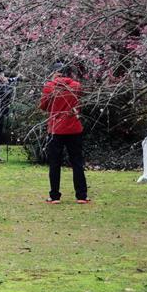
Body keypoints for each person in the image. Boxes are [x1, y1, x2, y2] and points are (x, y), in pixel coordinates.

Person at [38, 63, 89, 204]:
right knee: (77, 162)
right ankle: (81, 195)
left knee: (55, 163)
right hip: (74, 128)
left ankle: (54, 196)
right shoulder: (76, 86)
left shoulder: (50, 87)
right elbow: (80, 104)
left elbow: (43, 106)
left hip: (56, 128)